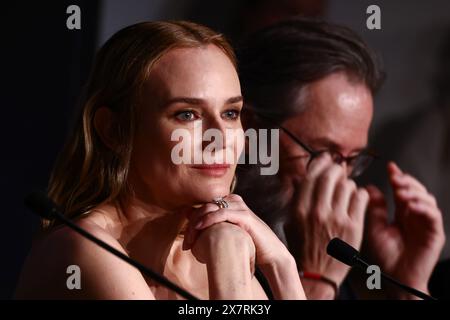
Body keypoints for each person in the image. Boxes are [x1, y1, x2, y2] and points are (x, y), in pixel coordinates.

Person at [15, 21, 306, 300]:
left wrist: (282, 266)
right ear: (114, 130)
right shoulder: (85, 247)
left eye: (230, 113)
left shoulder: (205, 247)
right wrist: (230, 265)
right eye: (187, 114)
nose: (220, 138)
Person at [235, 17, 445, 299]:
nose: (339, 181)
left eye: (352, 159)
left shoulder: (328, 254)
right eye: (324, 153)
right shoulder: (206, 248)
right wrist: (318, 277)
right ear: (251, 131)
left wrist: (406, 285)